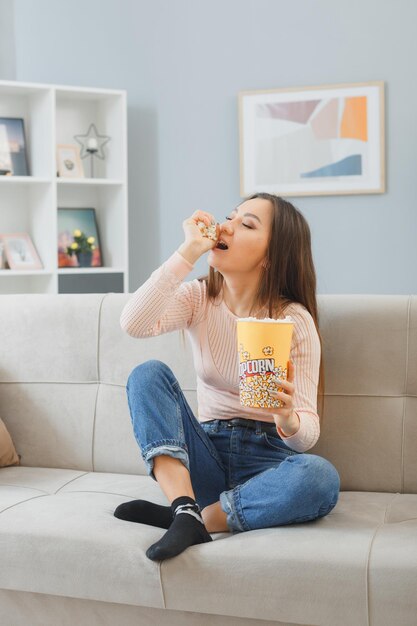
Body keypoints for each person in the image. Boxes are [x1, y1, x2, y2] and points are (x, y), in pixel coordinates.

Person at [114, 193, 341, 562]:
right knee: (147, 374)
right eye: (230, 217)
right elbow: (133, 323)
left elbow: (307, 438)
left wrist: (288, 418)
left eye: (247, 224)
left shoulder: (293, 320)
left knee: (320, 478)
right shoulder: (199, 298)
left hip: (266, 463)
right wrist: (187, 252)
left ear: (270, 256)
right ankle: (185, 507)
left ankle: (194, 518)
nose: (225, 226)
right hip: (207, 452)